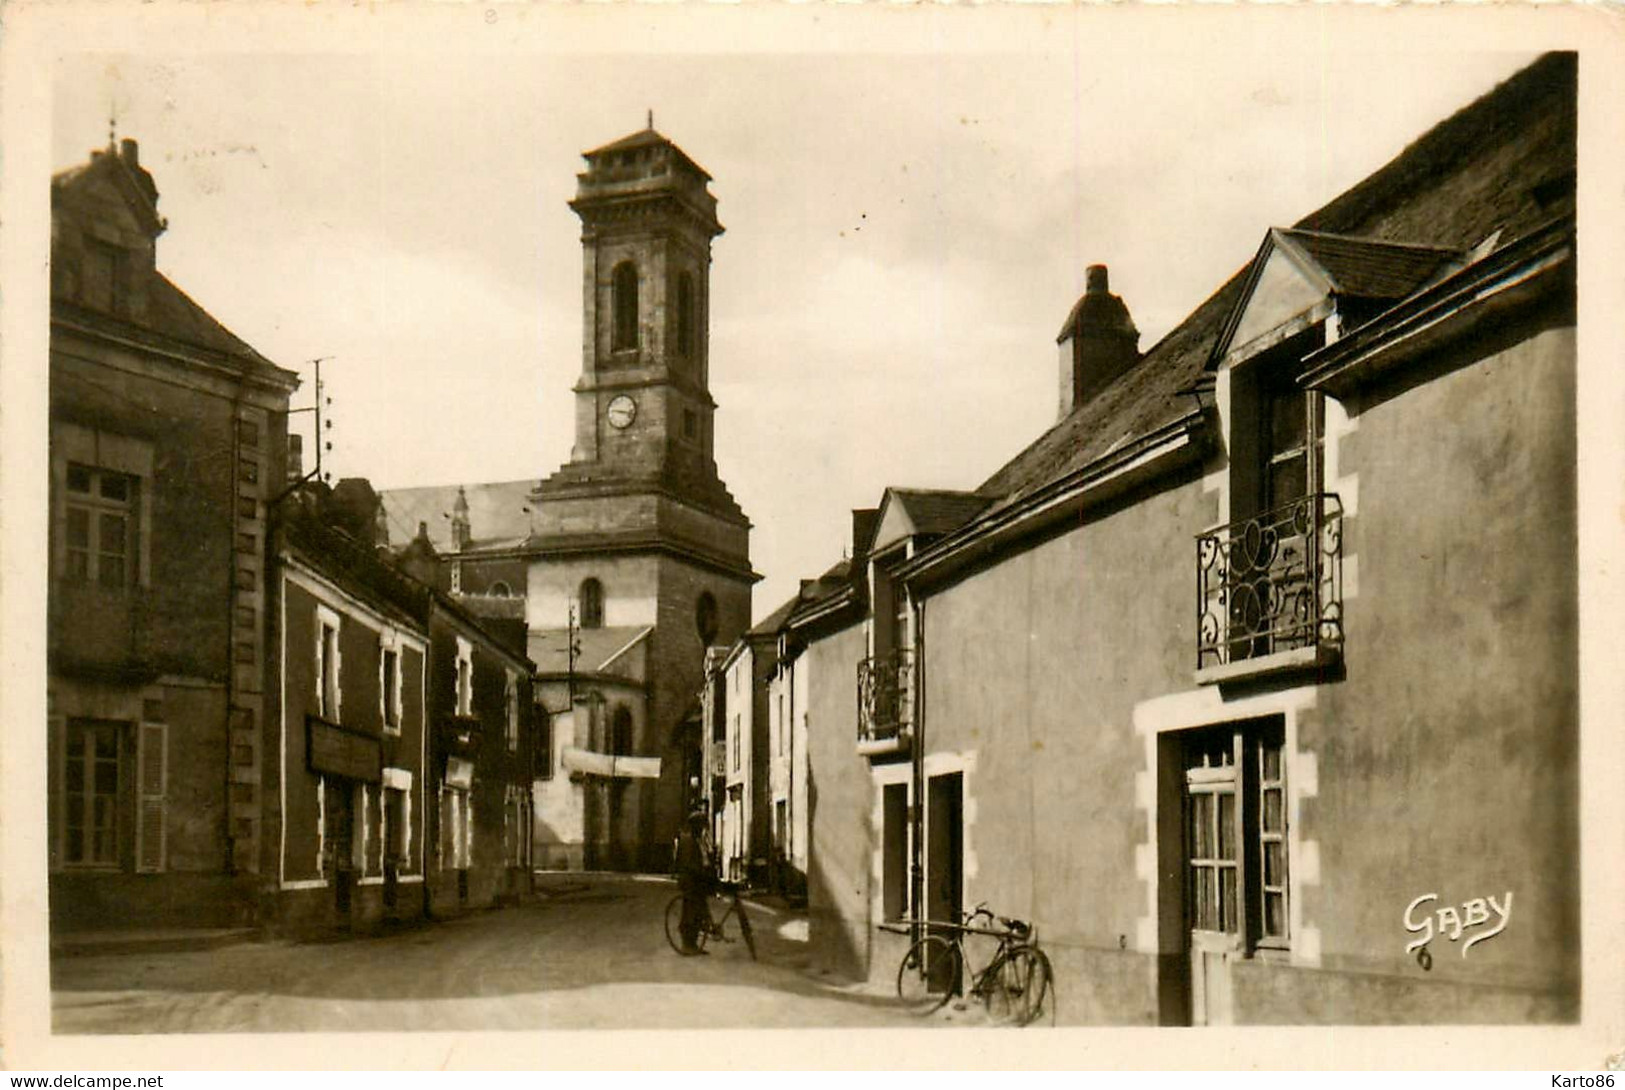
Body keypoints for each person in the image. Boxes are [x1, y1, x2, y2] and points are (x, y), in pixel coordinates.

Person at [674, 810, 714, 955]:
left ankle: (694, 944)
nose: (702, 828)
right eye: (700, 825)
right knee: (690, 913)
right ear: (693, 826)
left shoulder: (699, 840)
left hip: (699, 881)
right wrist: (700, 871)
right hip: (690, 882)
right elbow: (687, 863)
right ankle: (687, 944)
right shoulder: (687, 841)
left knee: (700, 913)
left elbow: (704, 858)